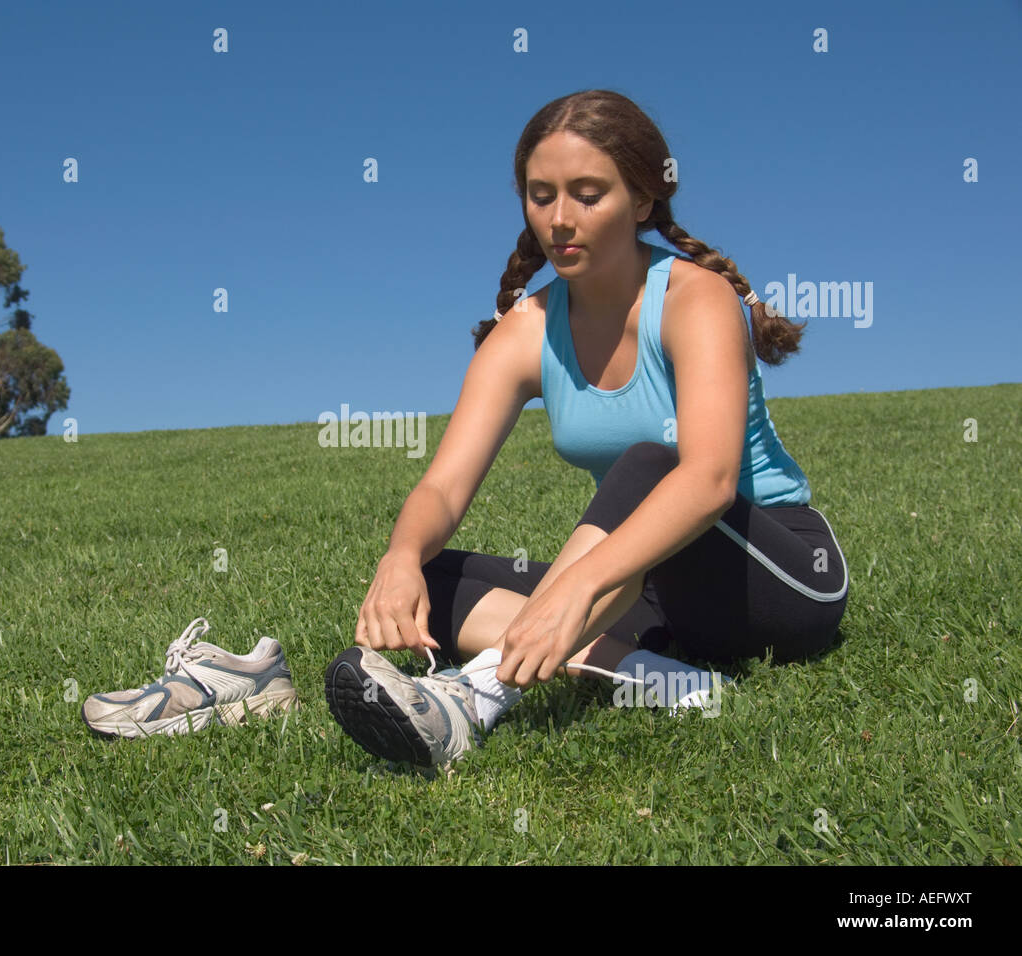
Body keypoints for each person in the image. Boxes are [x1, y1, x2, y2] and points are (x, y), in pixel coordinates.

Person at [322, 89, 850, 767]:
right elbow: (444, 488)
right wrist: (399, 558)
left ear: (642, 201)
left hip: (777, 578)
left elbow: (710, 480)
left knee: (650, 463)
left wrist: (574, 588)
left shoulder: (696, 300)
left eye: (588, 194)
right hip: (652, 591)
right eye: (541, 196)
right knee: (435, 575)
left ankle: (474, 699)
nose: (560, 219)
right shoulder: (524, 332)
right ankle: (662, 679)